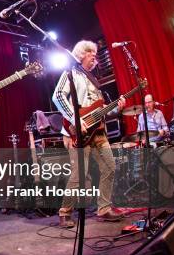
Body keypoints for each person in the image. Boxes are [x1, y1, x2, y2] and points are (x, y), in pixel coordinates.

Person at [52, 40, 125, 228]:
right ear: (81, 54)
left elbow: (100, 110)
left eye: (95, 52)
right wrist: (75, 119)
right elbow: (58, 96)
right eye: (91, 52)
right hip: (77, 131)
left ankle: (104, 208)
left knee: (110, 167)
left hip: (99, 131)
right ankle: (64, 212)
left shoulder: (94, 80)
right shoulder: (71, 73)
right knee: (79, 175)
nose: (94, 55)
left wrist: (116, 109)